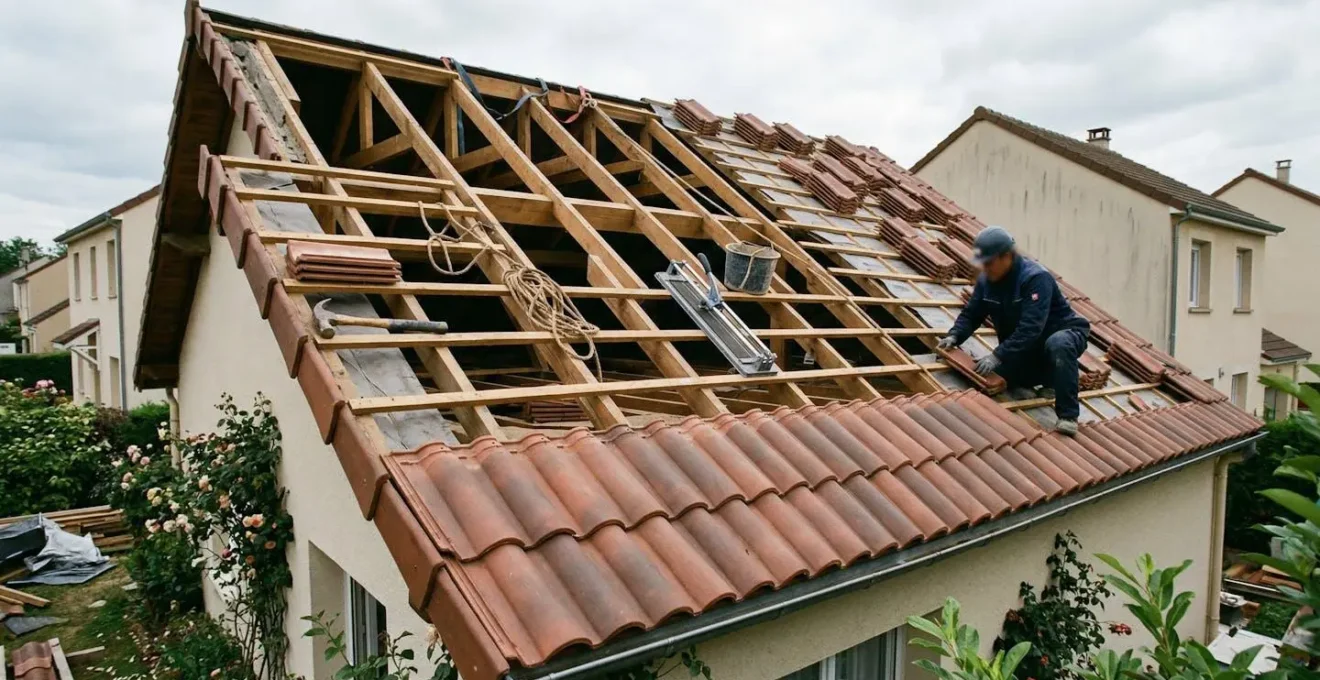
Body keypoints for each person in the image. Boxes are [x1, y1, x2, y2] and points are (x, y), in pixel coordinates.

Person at [937, 226, 1091, 435]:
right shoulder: (987, 281)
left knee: (1058, 345)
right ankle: (1043, 379)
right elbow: (972, 314)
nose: (986, 268)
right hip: (1029, 346)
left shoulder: (1035, 278)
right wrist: (954, 336)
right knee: (996, 378)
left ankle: (1068, 415)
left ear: (1007, 257)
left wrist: (997, 355)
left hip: (1063, 333)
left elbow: (1031, 328)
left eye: (989, 263)